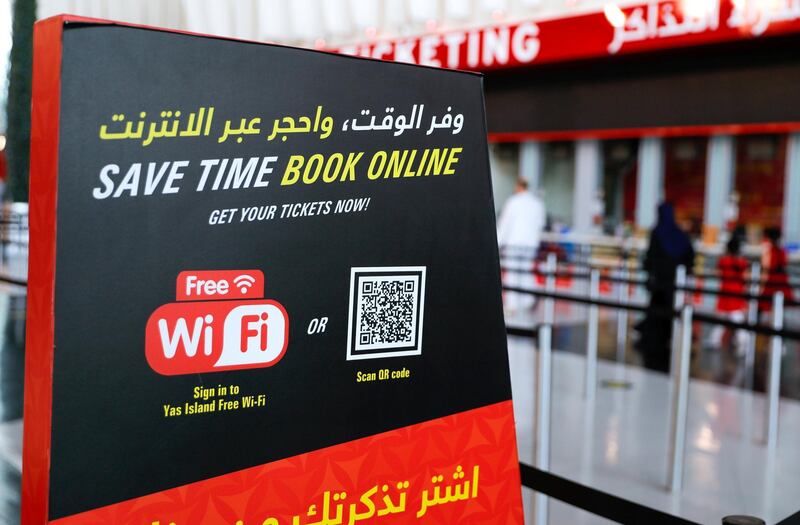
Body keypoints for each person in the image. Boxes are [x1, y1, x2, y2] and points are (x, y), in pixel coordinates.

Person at [636, 202, 695, 372]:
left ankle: (654, 342)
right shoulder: (680, 234)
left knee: (657, 313)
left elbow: (651, 256)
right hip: (675, 282)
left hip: (660, 283)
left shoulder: (657, 232)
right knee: (672, 311)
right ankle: (675, 338)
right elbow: (689, 256)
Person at [497, 178, 546, 325]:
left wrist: (498, 243)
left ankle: (512, 305)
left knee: (512, 273)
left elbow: (505, 224)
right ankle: (527, 300)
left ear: (518, 187)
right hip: (531, 243)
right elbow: (541, 224)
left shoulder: (513, 202)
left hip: (515, 242)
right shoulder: (537, 203)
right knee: (526, 271)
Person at [708, 236, 748, 352]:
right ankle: (743, 343)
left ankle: (715, 340)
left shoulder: (723, 260)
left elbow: (717, 273)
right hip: (737, 294)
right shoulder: (742, 262)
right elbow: (746, 277)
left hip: (725, 294)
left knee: (720, 320)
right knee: (738, 321)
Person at [760, 226, 794, 314]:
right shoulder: (783, 251)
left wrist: (761, 286)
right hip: (782, 281)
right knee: (779, 308)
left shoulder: (769, 252)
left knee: (768, 307)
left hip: (771, 281)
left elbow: (765, 270)